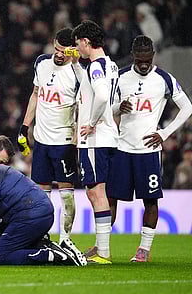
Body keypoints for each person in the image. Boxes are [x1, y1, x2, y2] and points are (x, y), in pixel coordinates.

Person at [109, 35, 192, 262]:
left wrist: (164, 133)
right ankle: (102, 248)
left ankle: (143, 250)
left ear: (153, 56)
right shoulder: (120, 76)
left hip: (149, 151)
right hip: (123, 147)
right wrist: (117, 108)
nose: (143, 64)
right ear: (133, 56)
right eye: (139, 60)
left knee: (151, 201)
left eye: (147, 59)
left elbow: (187, 107)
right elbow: (104, 108)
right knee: (111, 198)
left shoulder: (164, 79)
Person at [0, 152, 87, 266]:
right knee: (0, 240)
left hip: (31, 215)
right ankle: (46, 245)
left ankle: (53, 255)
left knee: (0, 257)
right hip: (34, 213)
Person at [18, 27, 81, 249]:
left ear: (73, 50)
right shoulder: (42, 62)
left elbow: (82, 105)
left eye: (64, 51)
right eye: (56, 49)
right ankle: (41, 237)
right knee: (42, 197)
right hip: (42, 140)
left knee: (66, 196)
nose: (59, 54)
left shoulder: (78, 71)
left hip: (63, 140)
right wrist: (24, 126)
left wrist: (76, 138)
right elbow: (36, 94)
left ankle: (65, 240)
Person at [71, 20, 119, 264]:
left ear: (86, 42)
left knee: (96, 192)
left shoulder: (96, 66)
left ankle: (104, 253)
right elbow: (98, 93)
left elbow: (100, 96)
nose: (77, 48)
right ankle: (101, 248)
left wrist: (90, 121)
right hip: (108, 137)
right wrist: (78, 67)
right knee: (97, 192)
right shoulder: (110, 65)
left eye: (78, 43)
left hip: (95, 139)